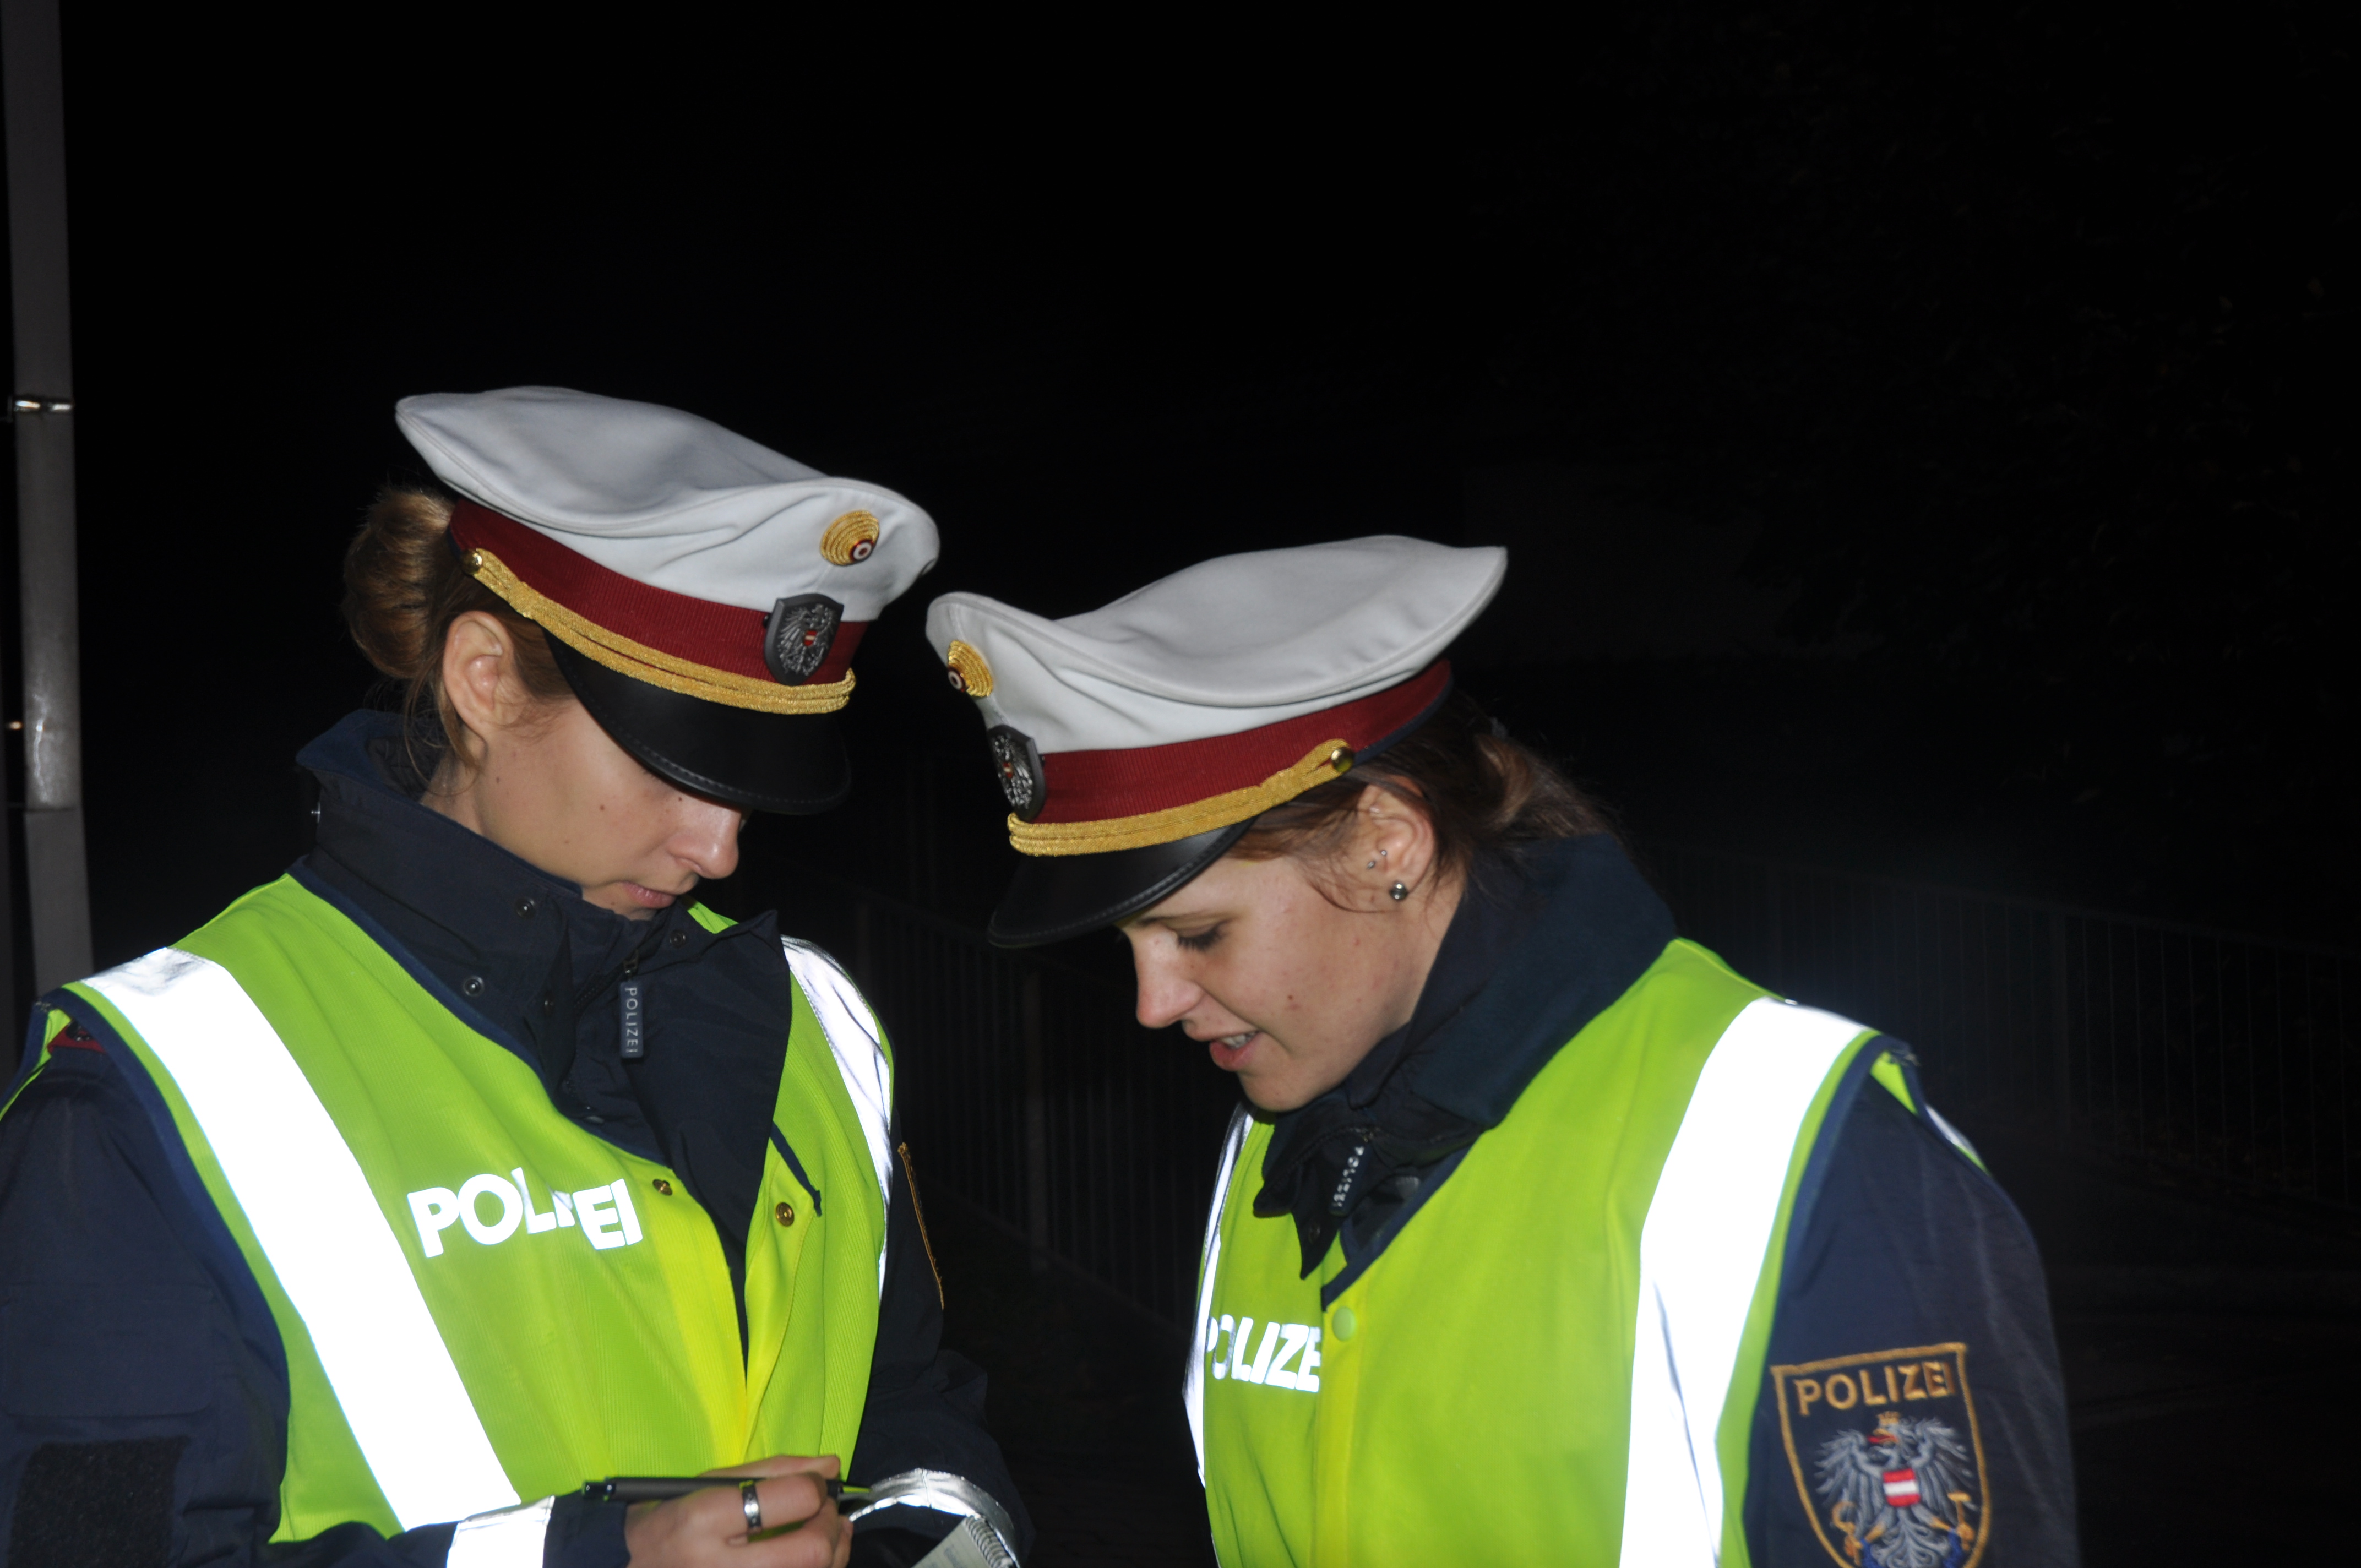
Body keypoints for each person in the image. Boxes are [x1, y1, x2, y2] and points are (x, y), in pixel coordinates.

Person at [0, 389, 1028, 1568]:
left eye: (748, 785)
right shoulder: (158, 1082)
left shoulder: (812, 1017)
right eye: (674, 768)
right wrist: (599, 1556)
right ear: (484, 679)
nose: (719, 848)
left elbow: (914, 1414)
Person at [923, 536, 2078, 1565]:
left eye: (1198, 933)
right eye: (1127, 945)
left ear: (1386, 841)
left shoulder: (1788, 1144)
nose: (1152, 1003)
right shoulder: (1272, 1138)